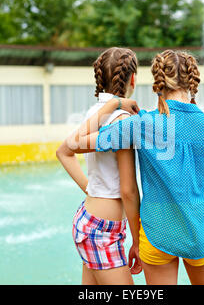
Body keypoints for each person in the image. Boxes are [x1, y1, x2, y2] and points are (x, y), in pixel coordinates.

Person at [65, 49, 204, 285]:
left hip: (156, 235)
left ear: (158, 82)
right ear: (192, 81)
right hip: (201, 234)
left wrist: (113, 105)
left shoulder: (140, 124)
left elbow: (73, 143)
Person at [56, 47, 142, 285]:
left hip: (89, 219)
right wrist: (137, 242)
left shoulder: (95, 112)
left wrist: (91, 189)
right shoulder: (123, 119)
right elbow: (128, 190)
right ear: (132, 78)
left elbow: (63, 153)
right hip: (102, 232)